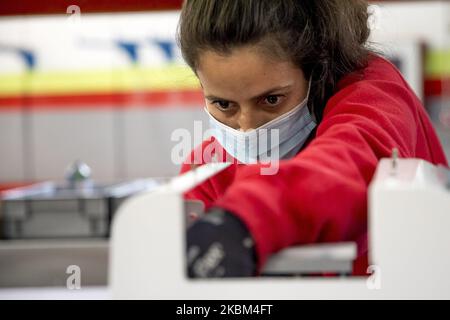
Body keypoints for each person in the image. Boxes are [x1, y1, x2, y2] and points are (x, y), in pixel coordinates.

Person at [176, 0, 448, 277]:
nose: (247, 126)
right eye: (223, 104)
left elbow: (352, 164)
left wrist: (242, 222)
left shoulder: (376, 99)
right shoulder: (207, 172)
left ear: (317, 72)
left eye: (271, 99)